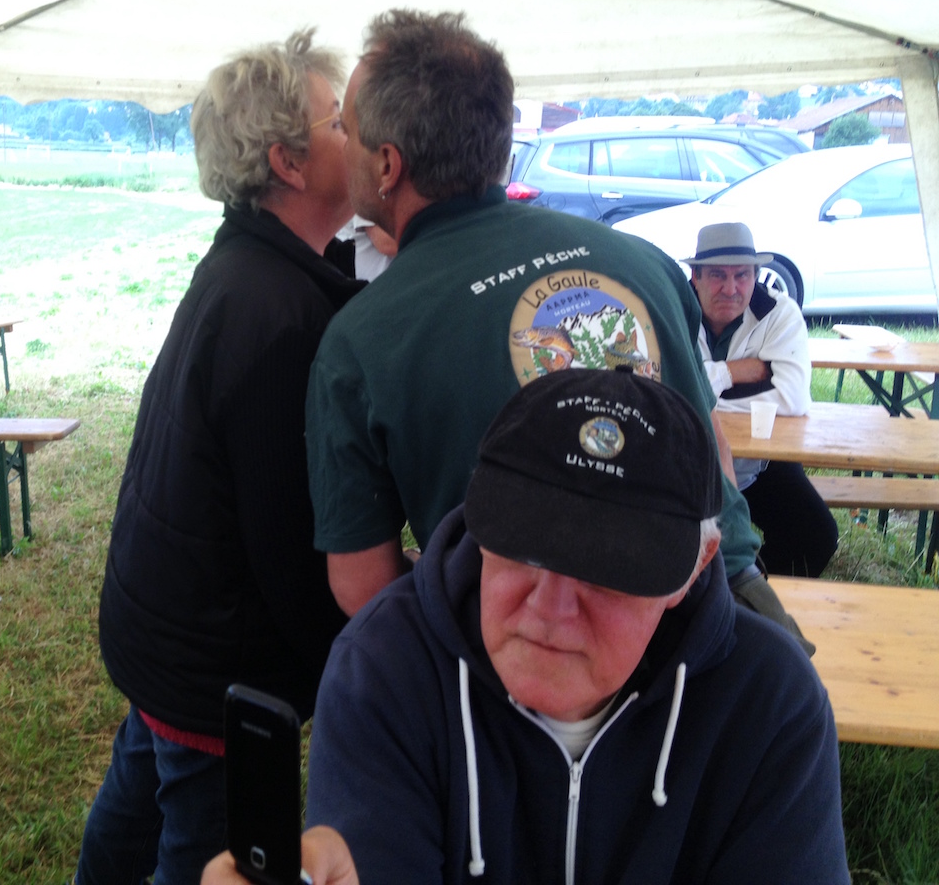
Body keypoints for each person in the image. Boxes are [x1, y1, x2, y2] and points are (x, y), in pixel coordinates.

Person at [205, 368, 849, 885]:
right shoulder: (385, 670)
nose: (549, 606)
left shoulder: (768, 702)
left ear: (695, 566)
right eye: (521, 547)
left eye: (607, 571)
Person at [304, 9, 814, 651]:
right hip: (731, 617)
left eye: (346, 131)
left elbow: (362, 587)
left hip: (544, 653)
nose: (339, 145)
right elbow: (711, 442)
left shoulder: (360, 340)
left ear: (386, 165)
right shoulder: (645, 261)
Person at [74, 28, 362, 885]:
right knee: (206, 854)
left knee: (134, 804)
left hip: (163, 624)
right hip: (214, 658)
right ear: (288, 161)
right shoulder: (276, 312)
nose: (360, 133)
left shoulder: (250, 263)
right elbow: (289, 540)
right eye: (339, 122)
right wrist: (353, 660)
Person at [687, 222, 839, 578]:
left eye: (742, 275)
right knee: (673, 542)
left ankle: (757, 596)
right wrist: (735, 373)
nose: (731, 288)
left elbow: (792, 397)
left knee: (816, 534)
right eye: (717, 275)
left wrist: (701, 386)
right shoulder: (672, 309)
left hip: (757, 464)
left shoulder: (779, 312)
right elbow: (658, 385)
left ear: (756, 276)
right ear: (695, 277)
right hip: (688, 461)